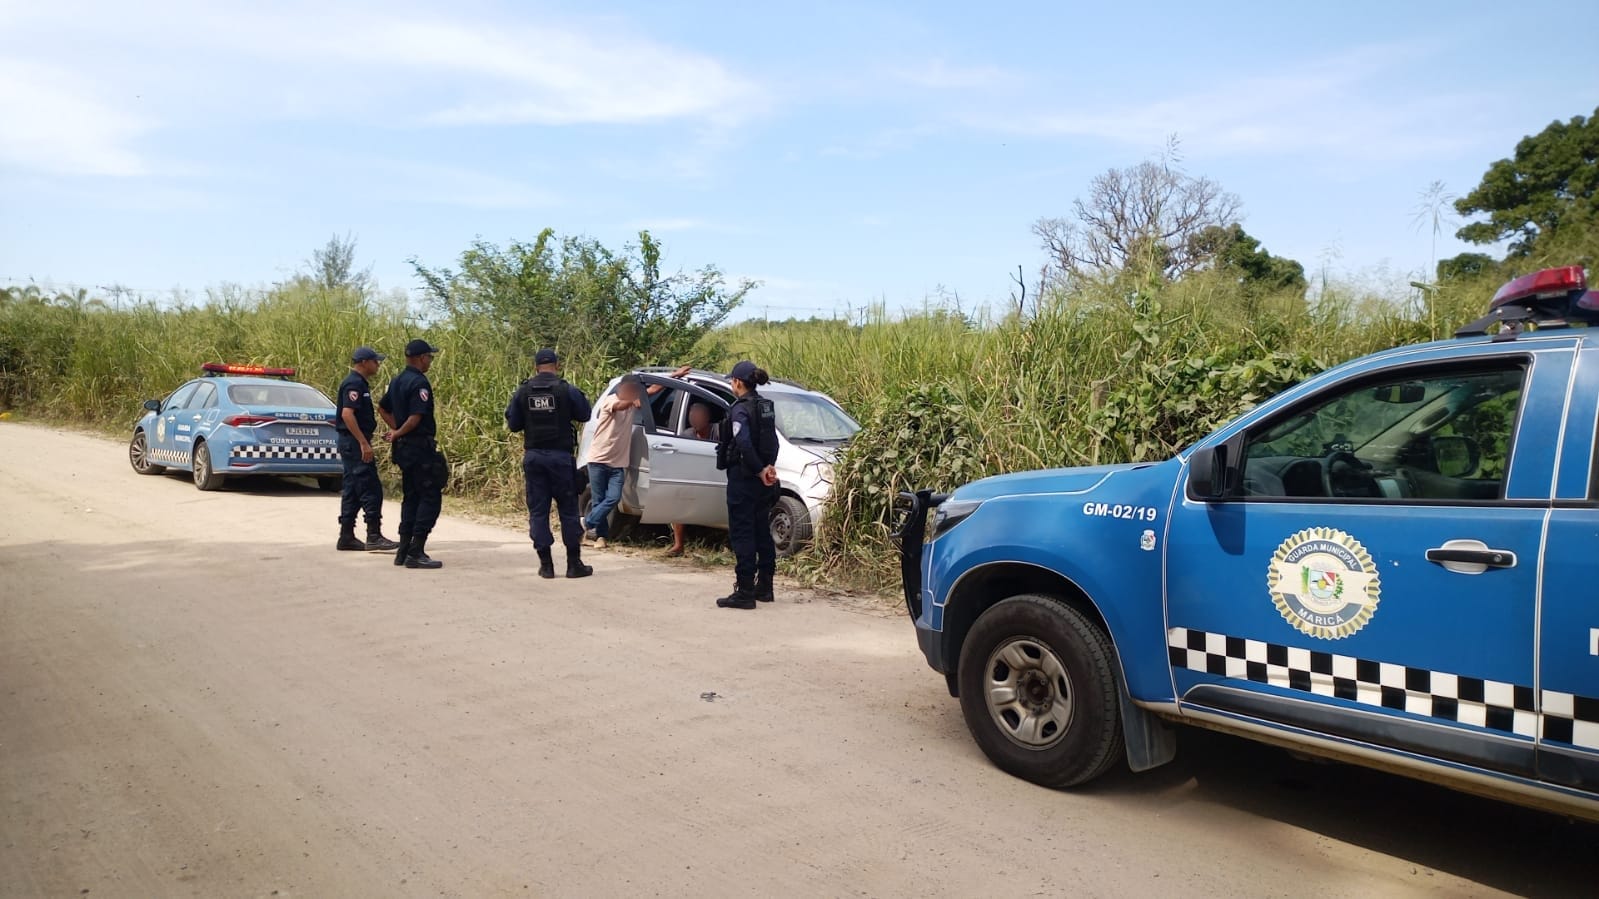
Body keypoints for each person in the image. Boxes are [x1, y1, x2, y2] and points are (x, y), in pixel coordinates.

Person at [507, 348, 594, 579]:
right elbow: (585, 414)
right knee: (568, 511)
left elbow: (513, 424)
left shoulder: (523, 391)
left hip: (535, 458)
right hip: (560, 458)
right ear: (557, 365)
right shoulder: (566, 389)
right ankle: (573, 564)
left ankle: (546, 565)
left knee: (538, 512)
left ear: (536, 367)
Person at [715, 360, 780, 609]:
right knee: (762, 532)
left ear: (737, 382)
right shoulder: (765, 406)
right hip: (763, 480)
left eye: (731, 380)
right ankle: (765, 587)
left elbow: (742, 442)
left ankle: (744, 592)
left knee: (743, 533)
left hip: (744, 479)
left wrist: (759, 469)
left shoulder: (740, 409)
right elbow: (773, 442)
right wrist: (769, 467)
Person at [379, 338, 447, 570]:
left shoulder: (397, 380)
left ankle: (403, 549)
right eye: (429, 357)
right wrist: (398, 431)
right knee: (430, 497)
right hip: (418, 448)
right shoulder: (419, 383)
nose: (430, 361)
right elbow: (416, 417)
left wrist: (396, 431)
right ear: (420, 358)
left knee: (411, 497)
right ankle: (416, 550)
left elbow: (382, 407)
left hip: (404, 450)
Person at [334, 346, 399, 553]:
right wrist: (363, 442)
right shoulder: (354, 383)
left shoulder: (359, 383)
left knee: (352, 489)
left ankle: (346, 536)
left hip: (353, 440)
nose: (377, 364)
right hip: (354, 444)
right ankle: (374, 535)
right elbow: (347, 414)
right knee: (370, 487)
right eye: (375, 361)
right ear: (363, 362)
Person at [582, 374, 644, 550]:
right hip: (599, 460)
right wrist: (633, 401)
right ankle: (601, 537)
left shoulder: (632, 400)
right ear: (622, 388)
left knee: (613, 498)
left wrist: (673, 376)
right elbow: (619, 406)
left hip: (618, 463)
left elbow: (653, 390)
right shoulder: (611, 400)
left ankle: (585, 524)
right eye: (630, 391)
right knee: (599, 499)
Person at [666, 401, 717, 557]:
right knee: (678, 498)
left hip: (715, 478)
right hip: (695, 479)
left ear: (707, 418)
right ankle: (678, 545)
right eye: (692, 417)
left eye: (699, 416)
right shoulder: (687, 435)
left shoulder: (719, 431)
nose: (695, 420)